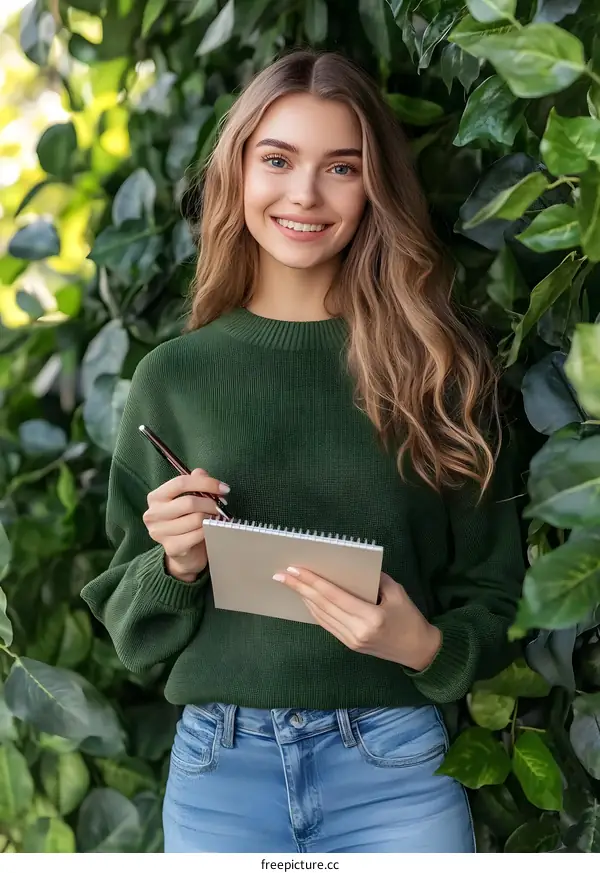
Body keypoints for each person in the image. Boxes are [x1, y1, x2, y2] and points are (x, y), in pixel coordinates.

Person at [81, 50, 525, 854]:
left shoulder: (440, 367)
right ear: (238, 172)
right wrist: (174, 562)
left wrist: (420, 645)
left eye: (342, 167)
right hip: (222, 771)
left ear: (376, 188)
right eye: (277, 159)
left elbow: (497, 592)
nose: (304, 195)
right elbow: (130, 625)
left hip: (395, 765)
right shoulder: (172, 378)